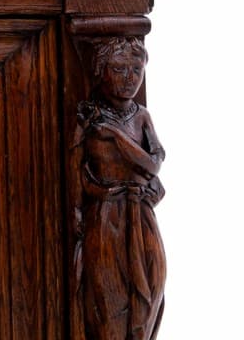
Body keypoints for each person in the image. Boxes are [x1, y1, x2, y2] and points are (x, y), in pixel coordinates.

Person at [73, 37, 166, 340]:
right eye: (119, 69)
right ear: (100, 71)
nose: (130, 79)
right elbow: (73, 164)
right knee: (110, 295)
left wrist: (114, 134)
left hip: (140, 212)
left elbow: (153, 164)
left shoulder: (140, 116)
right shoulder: (88, 117)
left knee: (151, 287)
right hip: (107, 215)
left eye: (136, 70)